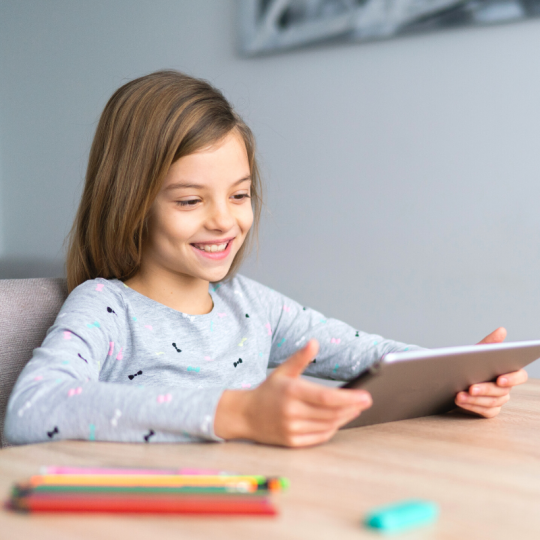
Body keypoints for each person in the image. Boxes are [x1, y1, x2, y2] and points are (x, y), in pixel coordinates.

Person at [4, 70, 527, 448]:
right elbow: (31, 412)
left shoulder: (250, 306)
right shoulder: (106, 308)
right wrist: (236, 412)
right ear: (130, 202)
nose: (223, 221)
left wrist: (459, 380)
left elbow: (373, 357)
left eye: (239, 195)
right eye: (190, 200)